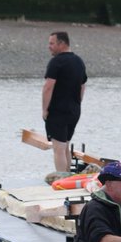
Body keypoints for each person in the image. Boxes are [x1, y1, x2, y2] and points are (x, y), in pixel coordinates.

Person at [42, 31, 87, 173]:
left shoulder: (57, 62)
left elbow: (48, 87)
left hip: (58, 111)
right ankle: (68, 178)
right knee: (65, 146)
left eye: (52, 43)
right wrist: (77, 102)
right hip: (74, 110)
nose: (49, 46)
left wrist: (44, 109)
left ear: (61, 44)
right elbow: (82, 85)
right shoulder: (78, 61)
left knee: (58, 149)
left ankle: (62, 179)